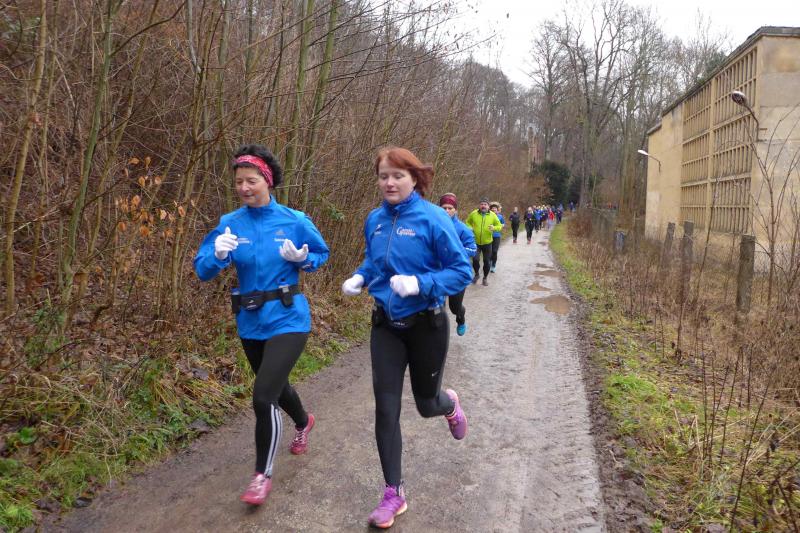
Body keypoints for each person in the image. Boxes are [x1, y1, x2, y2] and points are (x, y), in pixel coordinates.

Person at [341, 147, 471, 529]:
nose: (389, 182)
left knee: (426, 404)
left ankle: (449, 405)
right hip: (386, 326)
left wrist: (420, 283)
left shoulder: (433, 218)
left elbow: (461, 271)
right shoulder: (374, 220)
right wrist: (361, 276)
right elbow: (374, 260)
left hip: (426, 325)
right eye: (383, 176)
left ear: (415, 178)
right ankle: (393, 493)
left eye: (398, 175)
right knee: (386, 408)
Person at [193, 144, 330, 506]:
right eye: (239, 181)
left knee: (263, 395)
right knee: (277, 387)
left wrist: (303, 259)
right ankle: (303, 422)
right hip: (250, 321)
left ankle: (261, 475)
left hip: (289, 317)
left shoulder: (294, 220)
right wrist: (217, 254)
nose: (243, 187)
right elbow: (202, 270)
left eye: (251, 180)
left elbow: (321, 254)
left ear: (267, 181)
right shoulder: (230, 222)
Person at [438, 193, 477, 336]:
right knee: (437, 308)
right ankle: (438, 334)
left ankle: (461, 319)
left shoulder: (463, 229)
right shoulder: (433, 225)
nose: (447, 211)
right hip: (438, 273)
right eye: (444, 208)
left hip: (457, 274)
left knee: (454, 307)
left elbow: (472, 249)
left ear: (455, 210)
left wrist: (453, 251)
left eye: (450, 208)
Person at [465, 198, 502, 286]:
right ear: (479, 205)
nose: (483, 206)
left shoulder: (493, 215)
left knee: (486, 261)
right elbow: (467, 222)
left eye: (485, 204)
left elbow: (499, 226)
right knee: (475, 260)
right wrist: (469, 227)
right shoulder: (474, 213)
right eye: (481, 204)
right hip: (476, 242)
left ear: (488, 206)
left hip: (487, 242)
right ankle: (477, 274)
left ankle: (485, 278)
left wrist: (494, 228)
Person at [489, 202, 504, 272]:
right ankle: (489, 262)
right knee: (489, 251)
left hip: (497, 236)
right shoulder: (488, 216)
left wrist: (500, 226)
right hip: (488, 235)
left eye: (495, 209)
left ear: (497, 210)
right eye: (492, 209)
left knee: (494, 251)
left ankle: (493, 265)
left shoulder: (500, 216)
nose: (493, 210)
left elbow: (503, 224)